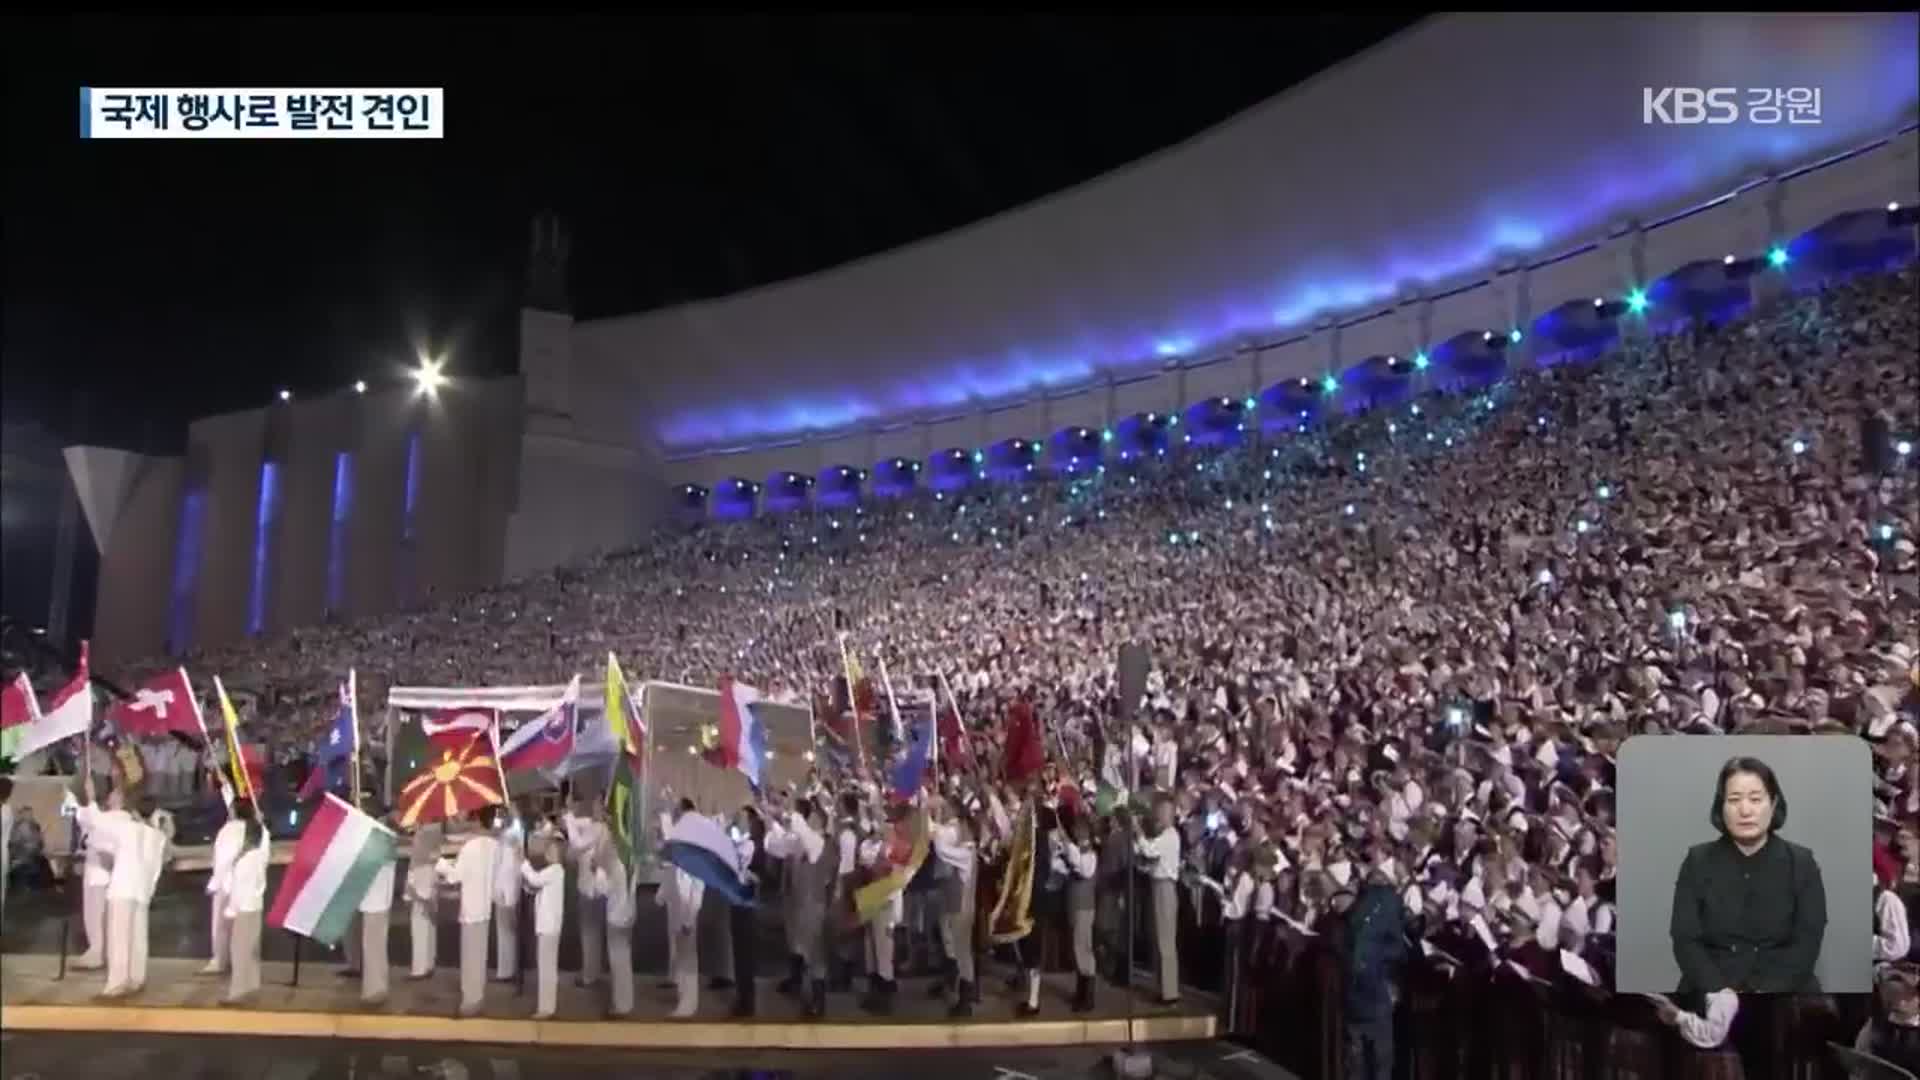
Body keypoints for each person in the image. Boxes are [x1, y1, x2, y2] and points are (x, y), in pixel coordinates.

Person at [1669, 756, 1827, 994]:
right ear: (1721, 807)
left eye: (1755, 799)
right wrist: (1720, 991)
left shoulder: (1802, 863)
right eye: (1734, 800)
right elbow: (1685, 938)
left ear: (1773, 804)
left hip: (1785, 991)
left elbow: (1807, 941)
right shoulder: (1697, 861)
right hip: (1711, 989)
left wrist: (1765, 990)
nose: (1745, 810)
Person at [766, 795, 830, 1019]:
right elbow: (777, 845)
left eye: (812, 819)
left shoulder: (818, 843)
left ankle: (819, 1001)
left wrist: (787, 812)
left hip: (814, 904)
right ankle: (806, 990)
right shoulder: (801, 842)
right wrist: (772, 821)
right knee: (801, 946)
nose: (807, 822)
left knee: (815, 952)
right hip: (799, 902)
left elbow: (802, 833)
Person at [1341, 865, 1407, 1080]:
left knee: (1366, 1056)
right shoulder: (1375, 905)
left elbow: (1398, 948)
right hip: (1368, 991)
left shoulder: (1365, 908)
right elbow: (1397, 948)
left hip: (1366, 990)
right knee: (1370, 1057)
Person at [437, 805, 501, 1017]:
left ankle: (470, 1001)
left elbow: (455, 876)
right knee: (480, 955)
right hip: (485, 907)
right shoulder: (494, 845)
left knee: (470, 957)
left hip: (471, 908)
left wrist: (441, 864)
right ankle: (478, 996)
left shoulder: (471, 847)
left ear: (476, 820)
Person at [72, 781, 129, 971]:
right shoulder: (109, 817)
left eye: (115, 793)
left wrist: (91, 798)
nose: (111, 796)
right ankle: (98, 951)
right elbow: (86, 820)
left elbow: (96, 821)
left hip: (102, 873)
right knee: (95, 914)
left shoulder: (121, 817)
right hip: (96, 870)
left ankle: (98, 952)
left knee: (97, 915)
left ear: (122, 800)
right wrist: (89, 802)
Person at [658, 798, 706, 1018]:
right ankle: (682, 997)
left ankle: (689, 1003)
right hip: (679, 908)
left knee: (688, 957)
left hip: (688, 911)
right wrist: (662, 895)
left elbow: (698, 886)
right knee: (682, 955)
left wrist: (689, 917)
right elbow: (671, 873)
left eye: (679, 814)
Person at [1135, 793, 1184, 1005]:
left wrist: (1138, 832)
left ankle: (1170, 991)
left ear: (1170, 814)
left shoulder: (1170, 835)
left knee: (1165, 940)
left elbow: (1149, 849)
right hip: (1157, 885)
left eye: (1162, 812)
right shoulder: (1164, 834)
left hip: (1165, 887)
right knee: (1158, 940)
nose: (1158, 815)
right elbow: (1152, 861)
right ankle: (1162, 987)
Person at [200, 798, 253, 976]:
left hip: (227, 884)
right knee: (241, 926)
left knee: (222, 926)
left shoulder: (229, 830)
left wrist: (214, 883)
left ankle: (219, 961)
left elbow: (224, 859)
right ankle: (238, 961)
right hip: (246, 884)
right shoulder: (254, 830)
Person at [563, 797, 610, 989]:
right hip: (595, 886)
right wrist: (570, 813)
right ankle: (594, 971)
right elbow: (578, 824)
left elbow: (577, 843)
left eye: (597, 805)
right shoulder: (600, 826)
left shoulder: (598, 828)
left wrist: (568, 816)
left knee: (589, 932)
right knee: (594, 932)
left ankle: (589, 975)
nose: (593, 807)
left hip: (591, 887)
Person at [223, 815, 270, 1005]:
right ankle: (251, 986)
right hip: (256, 906)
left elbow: (238, 890)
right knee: (251, 950)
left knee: (240, 951)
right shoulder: (260, 856)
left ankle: (238, 992)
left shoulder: (244, 861)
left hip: (243, 908)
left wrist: (230, 911)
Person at [519, 832, 565, 1020]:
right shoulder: (553, 871)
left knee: (546, 967)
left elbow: (535, 879)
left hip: (548, 926)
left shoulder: (555, 870)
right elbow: (535, 886)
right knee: (546, 966)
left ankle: (546, 1008)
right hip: (547, 925)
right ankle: (546, 1006)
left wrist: (522, 862)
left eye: (551, 850)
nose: (548, 852)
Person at [1059, 810, 1100, 1013]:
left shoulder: (1089, 853)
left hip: (1084, 907)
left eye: (1078, 829)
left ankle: (1088, 994)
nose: (1075, 832)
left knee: (1083, 948)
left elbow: (1083, 868)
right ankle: (1082, 990)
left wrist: (1066, 842)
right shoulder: (1080, 850)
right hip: (1077, 906)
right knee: (1078, 949)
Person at [729, 804, 766, 1017]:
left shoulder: (757, 847)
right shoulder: (738, 844)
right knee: (739, 953)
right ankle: (741, 996)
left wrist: (749, 876)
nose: (741, 821)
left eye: (744, 818)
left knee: (746, 953)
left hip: (748, 903)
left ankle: (748, 1000)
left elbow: (763, 875)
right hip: (736, 900)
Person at [358, 816, 398, 1007]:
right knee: (379, 949)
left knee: (372, 950)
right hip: (382, 905)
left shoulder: (376, 853)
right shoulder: (389, 851)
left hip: (373, 906)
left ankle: (374, 990)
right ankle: (380, 986)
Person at [597, 832, 636, 1018]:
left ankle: (621, 1005)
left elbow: (602, 890)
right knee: (624, 962)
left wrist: (597, 871)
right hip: (626, 916)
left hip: (616, 918)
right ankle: (624, 1002)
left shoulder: (613, 868)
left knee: (618, 963)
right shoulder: (623, 866)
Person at [405, 819, 444, 979]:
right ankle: (429, 963)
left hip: (420, 874)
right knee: (429, 922)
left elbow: (416, 858)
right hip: (431, 873)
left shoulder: (423, 833)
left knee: (419, 922)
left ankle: (419, 968)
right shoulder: (436, 829)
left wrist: (409, 883)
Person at [492, 814, 524, 982]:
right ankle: (504, 970)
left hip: (511, 885)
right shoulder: (502, 829)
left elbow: (519, 856)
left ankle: (512, 969)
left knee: (511, 928)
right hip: (500, 885)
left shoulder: (517, 829)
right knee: (503, 929)